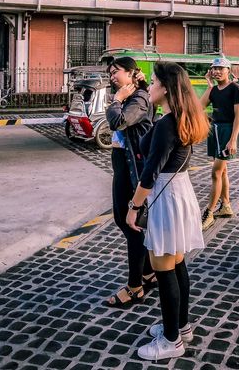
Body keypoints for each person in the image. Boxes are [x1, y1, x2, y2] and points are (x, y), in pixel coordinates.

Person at [126, 62, 210, 361]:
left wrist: (133, 207)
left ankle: (172, 340)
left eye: (152, 82)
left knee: (164, 271)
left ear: (165, 88)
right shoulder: (181, 117)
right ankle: (181, 326)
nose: (149, 86)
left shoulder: (166, 125)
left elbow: (149, 172)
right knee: (176, 265)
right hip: (180, 192)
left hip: (166, 195)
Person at [105, 57, 156, 308]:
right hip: (123, 165)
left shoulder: (138, 99)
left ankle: (135, 286)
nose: (113, 76)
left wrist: (116, 100)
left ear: (132, 73)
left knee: (132, 224)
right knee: (122, 219)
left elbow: (118, 121)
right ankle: (147, 271)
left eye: (117, 72)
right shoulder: (131, 97)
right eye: (110, 73)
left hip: (133, 169)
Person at [200, 57, 239, 230]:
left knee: (216, 173)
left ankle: (209, 212)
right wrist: (209, 85)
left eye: (220, 68)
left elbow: (238, 116)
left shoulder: (235, 88)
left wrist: (233, 139)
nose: (217, 71)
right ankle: (225, 206)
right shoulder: (214, 90)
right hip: (215, 131)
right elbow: (199, 106)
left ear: (228, 70)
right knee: (222, 171)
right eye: (214, 68)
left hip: (226, 132)